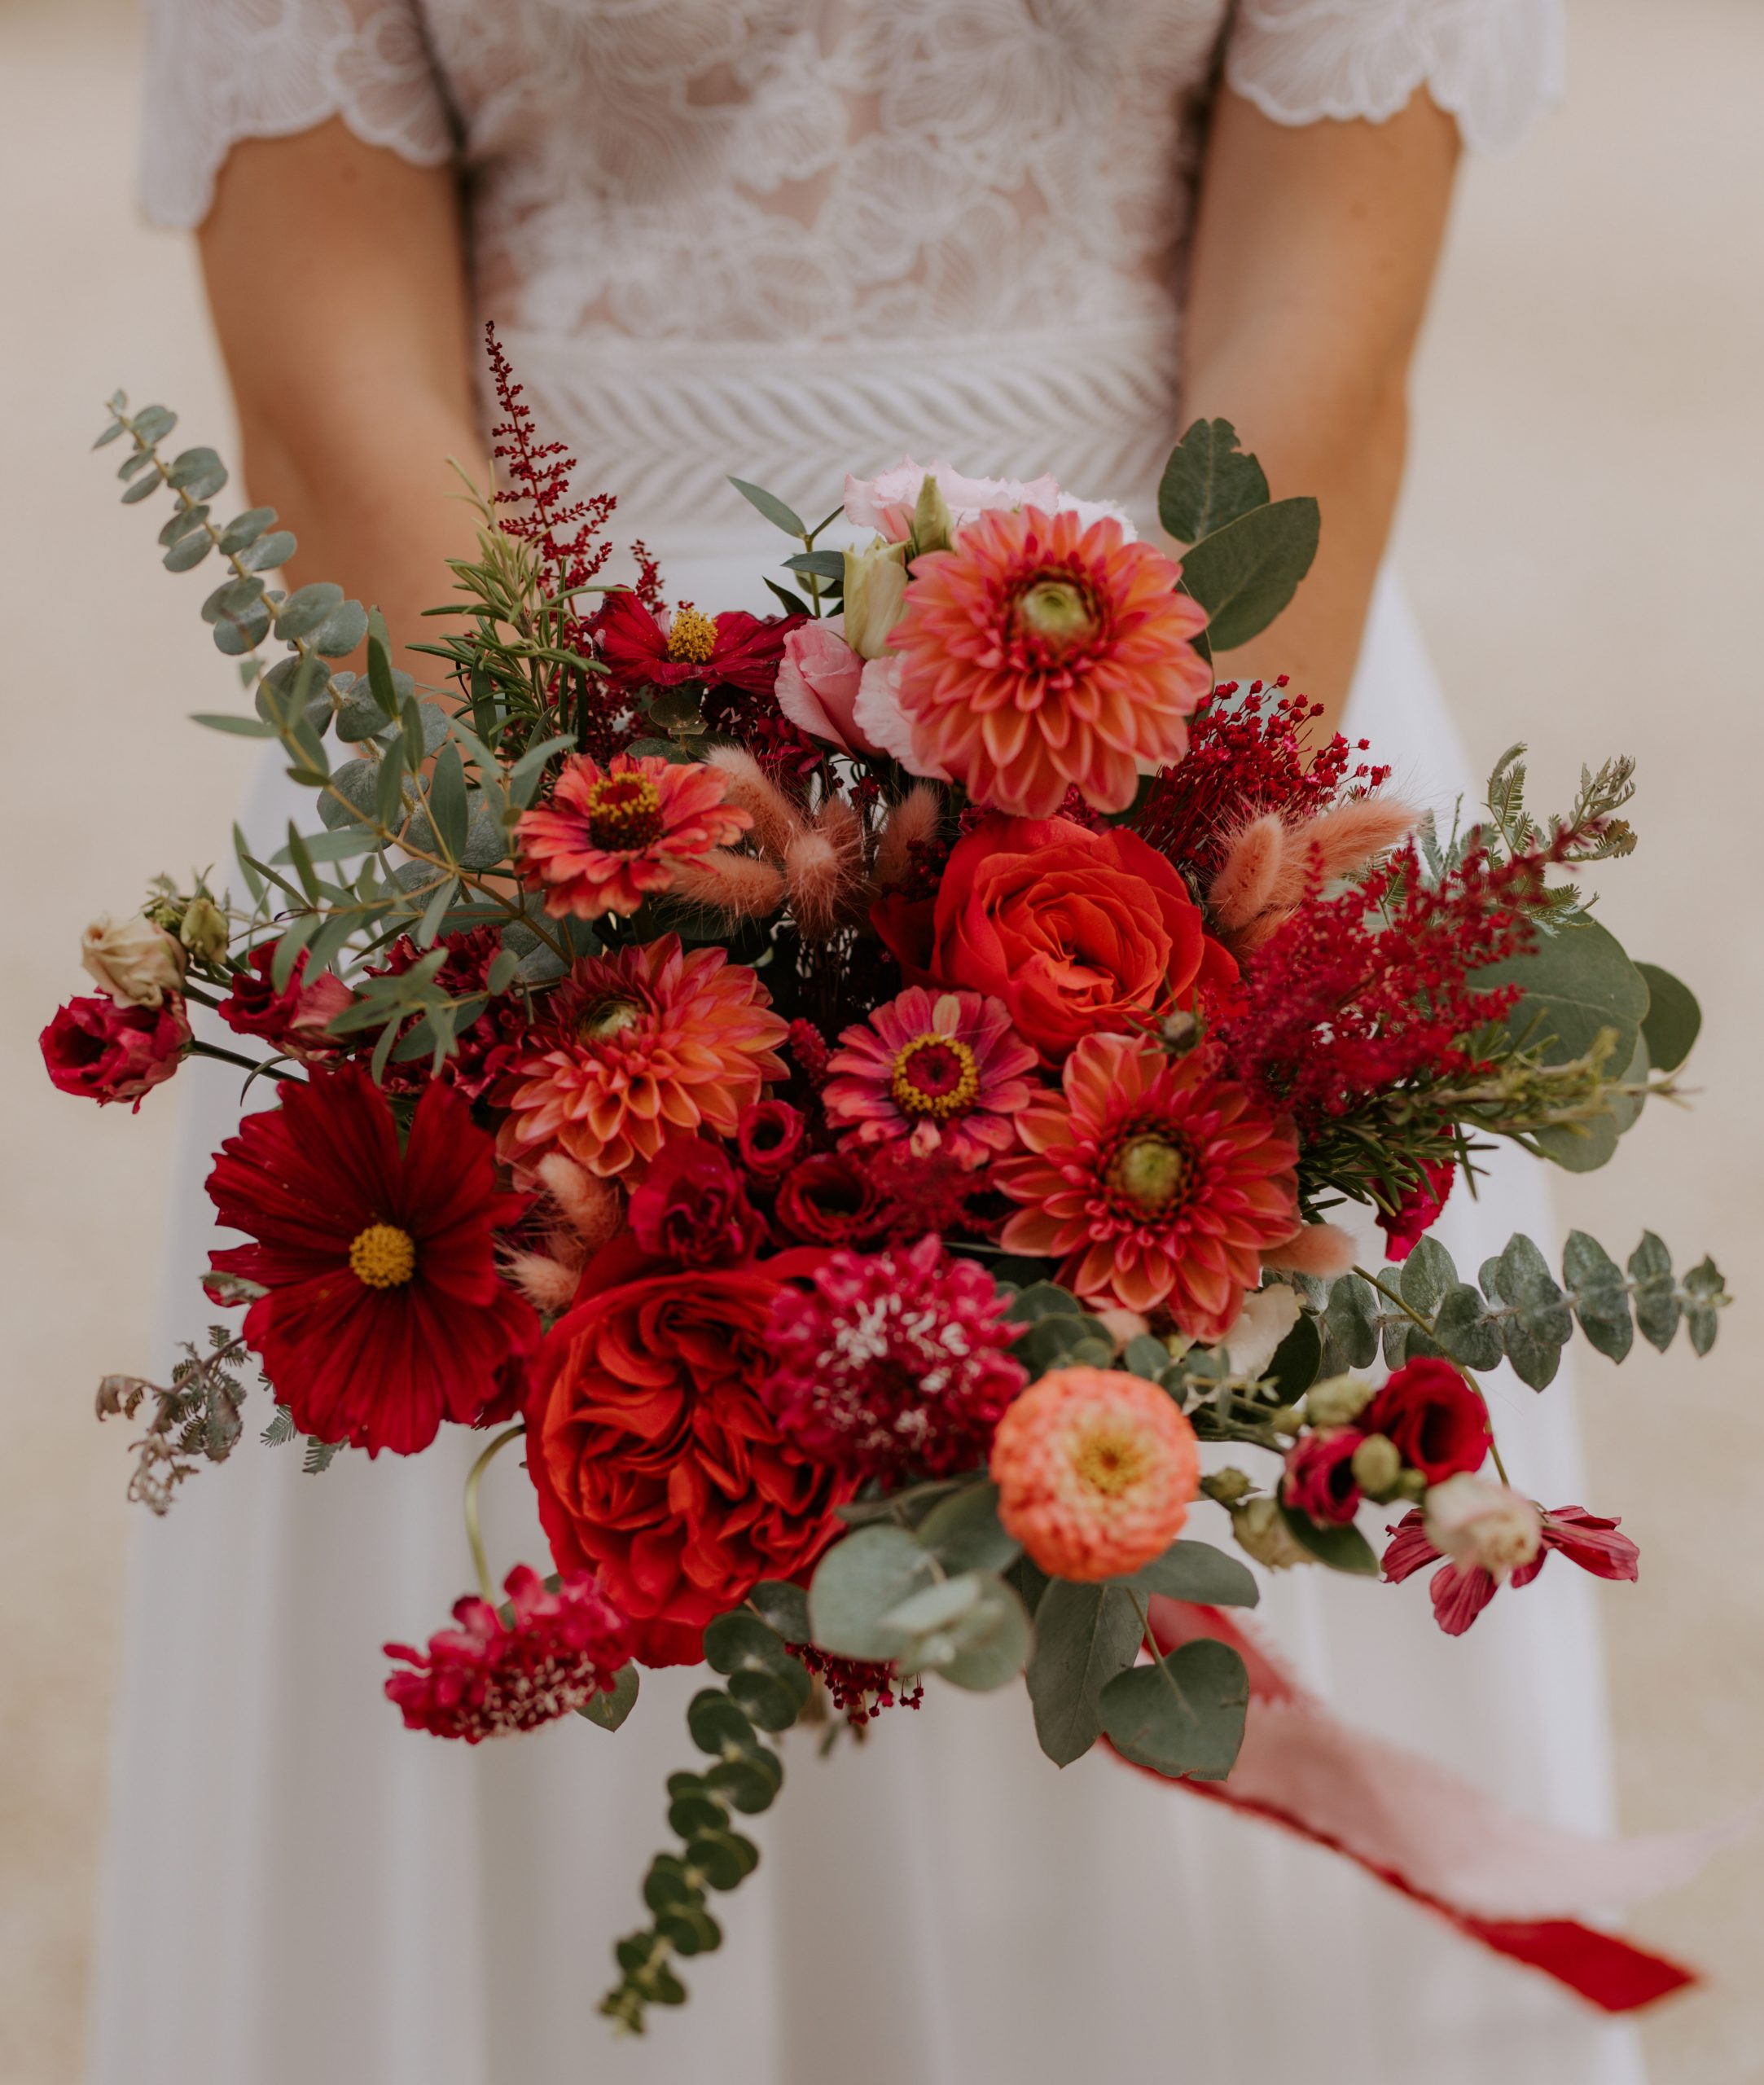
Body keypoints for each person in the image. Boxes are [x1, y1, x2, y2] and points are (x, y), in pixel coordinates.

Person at [93, 5, 1645, 2083]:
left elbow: (1319, 366)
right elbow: (325, 387)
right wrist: (610, 945)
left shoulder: (1177, 851)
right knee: (593, 1601)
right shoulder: (534, 851)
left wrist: (1129, 986)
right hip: (483, 785)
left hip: (1187, 731)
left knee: (1152, 1660)